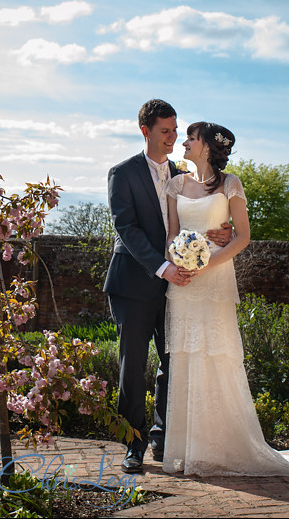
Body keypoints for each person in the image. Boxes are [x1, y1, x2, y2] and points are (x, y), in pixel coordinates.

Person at [162, 121, 289, 476]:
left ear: (208, 147)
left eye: (191, 138)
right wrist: (178, 259)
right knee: (186, 355)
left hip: (214, 278)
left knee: (217, 354)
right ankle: (188, 450)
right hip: (183, 281)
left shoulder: (230, 184)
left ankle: (223, 446)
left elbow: (242, 238)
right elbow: (170, 234)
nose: (184, 142)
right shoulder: (175, 184)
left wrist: (207, 261)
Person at [104, 100, 232, 474]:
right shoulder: (122, 173)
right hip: (133, 283)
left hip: (180, 287)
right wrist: (162, 267)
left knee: (172, 362)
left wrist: (222, 230)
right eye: (166, 131)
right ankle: (133, 443)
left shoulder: (183, 175)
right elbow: (125, 229)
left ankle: (162, 438)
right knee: (132, 366)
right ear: (146, 130)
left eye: (176, 130)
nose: (174, 137)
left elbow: (205, 213)